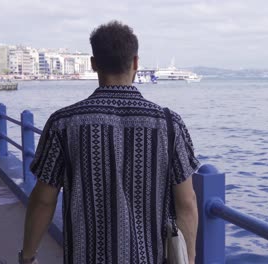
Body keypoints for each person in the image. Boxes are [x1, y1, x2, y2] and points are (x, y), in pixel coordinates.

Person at [20, 21, 199, 264]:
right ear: (136, 63)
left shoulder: (64, 123)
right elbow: (186, 203)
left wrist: (27, 256)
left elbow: (43, 199)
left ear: (94, 64)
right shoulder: (169, 124)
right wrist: (190, 256)